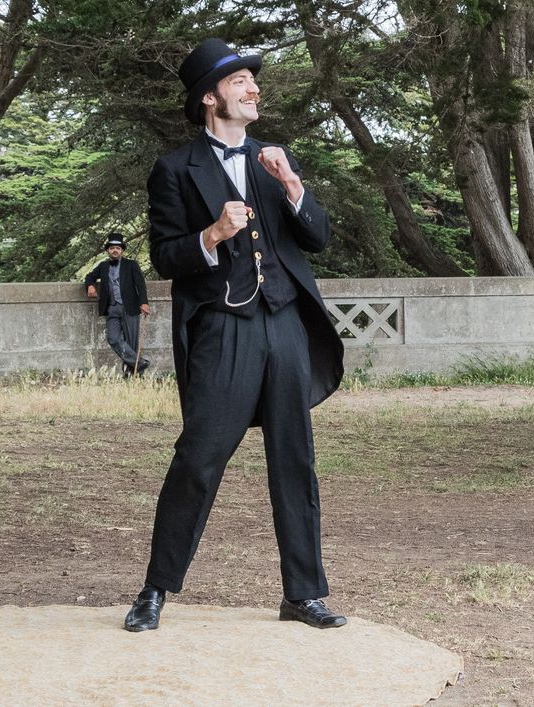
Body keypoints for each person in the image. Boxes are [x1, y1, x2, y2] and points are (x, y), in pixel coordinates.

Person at [124, 38, 348, 632]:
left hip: (286, 323)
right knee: (198, 459)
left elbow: (318, 238)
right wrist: (213, 234)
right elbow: (166, 256)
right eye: (240, 81)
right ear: (210, 97)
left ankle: (304, 595)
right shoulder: (176, 169)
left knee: (294, 461)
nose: (253, 88)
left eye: (253, 80)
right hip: (224, 328)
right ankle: (155, 588)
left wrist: (293, 186)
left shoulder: (275, 159)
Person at [83, 235, 153, 374]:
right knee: (113, 338)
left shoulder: (131, 265)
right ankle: (139, 363)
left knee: (131, 341)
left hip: (130, 307)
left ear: (122, 250)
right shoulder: (103, 266)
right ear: (107, 251)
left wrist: (144, 302)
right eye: (112, 248)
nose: (115, 250)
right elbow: (89, 276)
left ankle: (132, 374)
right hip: (111, 308)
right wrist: (90, 286)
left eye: (117, 248)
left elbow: (140, 284)